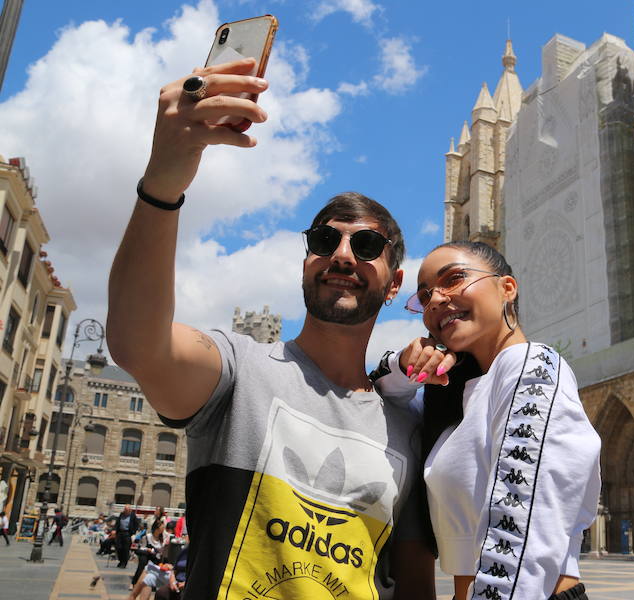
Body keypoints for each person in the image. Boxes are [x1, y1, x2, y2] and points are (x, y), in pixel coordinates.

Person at [106, 58, 435, 599]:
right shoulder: (241, 372)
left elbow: (413, 583)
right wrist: (166, 177)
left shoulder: (405, 426)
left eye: (367, 246)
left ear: (395, 281)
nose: (343, 256)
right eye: (324, 242)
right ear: (307, 260)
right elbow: (137, 344)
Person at [375, 241, 602, 600]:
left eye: (454, 278)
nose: (435, 299)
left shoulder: (531, 366)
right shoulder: (466, 395)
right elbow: (379, 401)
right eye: (424, 295)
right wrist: (405, 365)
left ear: (506, 288)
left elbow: (521, 535)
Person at [132, 519, 169, 589]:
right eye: (161, 528)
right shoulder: (148, 537)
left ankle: (155, 583)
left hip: (157, 557)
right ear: (156, 529)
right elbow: (142, 547)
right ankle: (135, 582)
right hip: (147, 555)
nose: (163, 530)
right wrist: (148, 550)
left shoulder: (162, 538)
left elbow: (162, 550)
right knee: (143, 560)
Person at [114, 504, 139, 568]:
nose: (125, 511)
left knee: (125, 549)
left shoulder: (133, 515)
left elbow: (136, 524)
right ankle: (120, 560)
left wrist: (133, 532)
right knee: (118, 547)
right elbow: (117, 523)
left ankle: (124, 563)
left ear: (130, 510)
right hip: (120, 532)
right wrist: (114, 530)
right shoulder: (121, 514)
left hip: (127, 533)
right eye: (124, 509)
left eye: (126, 510)